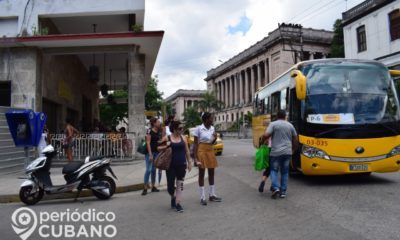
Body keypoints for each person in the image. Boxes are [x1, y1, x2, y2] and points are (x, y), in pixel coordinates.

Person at [262, 110, 298, 199]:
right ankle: (283, 192)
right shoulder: (290, 125)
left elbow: (266, 135)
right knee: (285, 172)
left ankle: (276, 188)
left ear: (277, 116)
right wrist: (293, 149)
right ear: (285, 116)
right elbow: (296, 139)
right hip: (287, 152)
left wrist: (263, 139)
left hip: (276, 152)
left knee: (274, 170)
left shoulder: (273, 124)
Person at [158, 121, 192, 212]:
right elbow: (158, 148)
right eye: (180, 128)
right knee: (170, 186)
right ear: (174, 129)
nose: (182, 130)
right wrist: (166, 146)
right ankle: (173, 196)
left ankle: (178, 203)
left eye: (182, 128)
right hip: (170, 165)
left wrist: (189, 162)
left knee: (180, 184)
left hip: (181, 164)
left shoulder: (183, 138)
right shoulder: (167, 138)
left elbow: (187, 151)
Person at [193, 112, 222, 206]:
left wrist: (215, 138)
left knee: (211, 173)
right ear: (206, 119)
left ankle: (212, 195)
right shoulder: (199, 129)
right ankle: (202, 197)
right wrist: (195, 158)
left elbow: (212, 142)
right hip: (201, 150)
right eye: (211, 118)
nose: (212, 120)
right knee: (201, 173)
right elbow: (195, 144)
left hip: (210, 150)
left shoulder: (212, 128)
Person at [142, 117, 161, 195]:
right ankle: (145, 187)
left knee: (154, 170)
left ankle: (153, 186)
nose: (159, 123)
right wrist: (150, 154)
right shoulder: (149, 131)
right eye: (158, 122)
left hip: (157, 153)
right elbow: (148, 143)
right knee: (148, 170)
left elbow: (158, 141)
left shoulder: (159, 131)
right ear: (154, 123)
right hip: (150, 153)